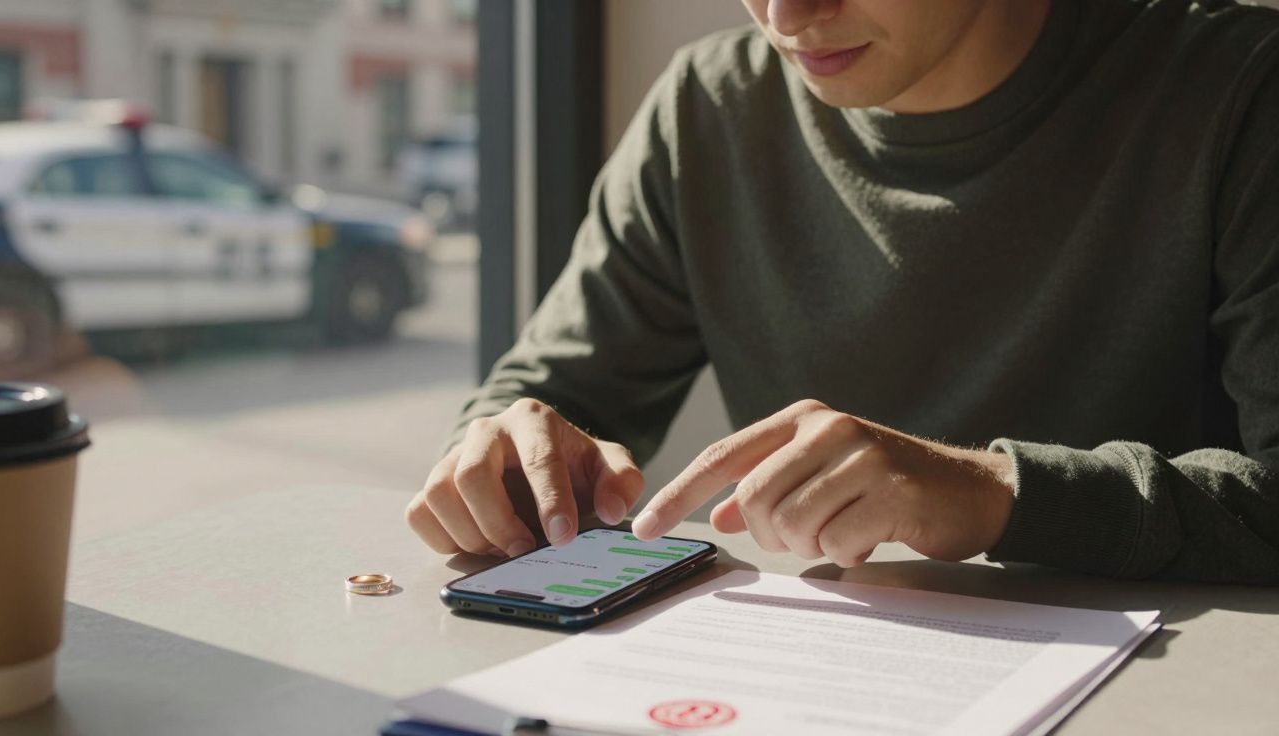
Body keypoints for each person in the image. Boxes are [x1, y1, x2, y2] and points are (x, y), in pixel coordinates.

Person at [407, 0, 1279, 583]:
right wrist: (510, 457)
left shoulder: (1241, 88)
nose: (786, 15)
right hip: (823, 673)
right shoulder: (710, 106)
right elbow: (549, 397)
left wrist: (997, 494)